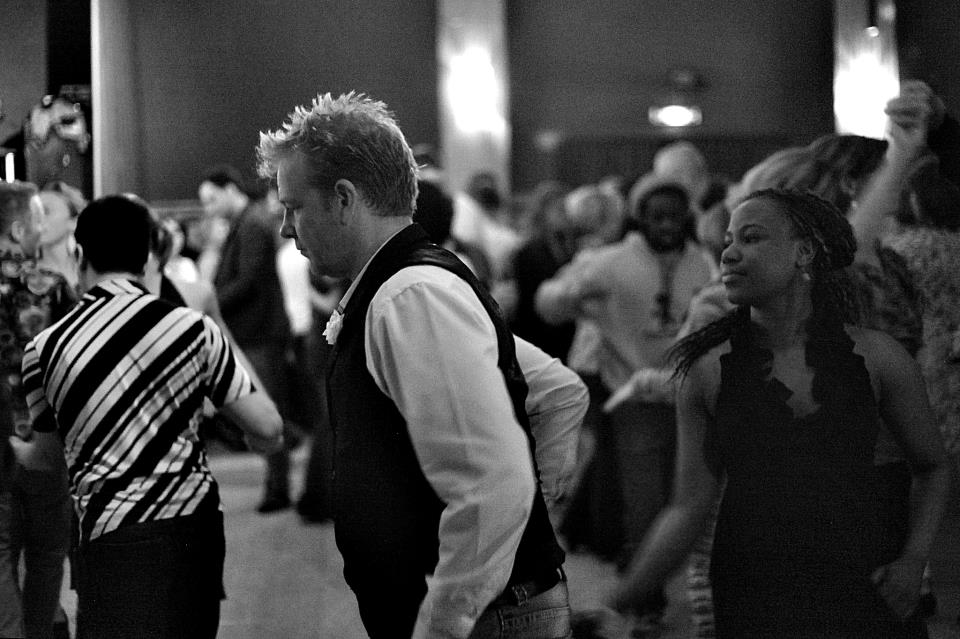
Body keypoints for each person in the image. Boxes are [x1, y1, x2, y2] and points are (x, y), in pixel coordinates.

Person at [258, 91, 573, 639]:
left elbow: (491, 479)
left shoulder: (410, 295)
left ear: (343, 199)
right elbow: (555, 390)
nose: (286, 226)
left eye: (294, 206)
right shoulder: (406, 284)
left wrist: (447, 618)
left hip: (486, 620)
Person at [597, 189, 950, 638]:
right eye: (728, 240)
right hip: (754, 588)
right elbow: (687, 509)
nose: (728, 253)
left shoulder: (879, 358)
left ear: (803, 252)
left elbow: (932, 467)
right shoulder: (707, 372)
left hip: (866, 580)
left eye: (751, 238)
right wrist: (616, 600)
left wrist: (913, 562)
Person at [18, 195, 284, 639]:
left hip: (109, 536)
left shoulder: (43, 349)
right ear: (146, 258)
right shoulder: (193, 328)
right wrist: (258, 441)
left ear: (79, 255)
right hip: (191, 531)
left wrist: (10, 447)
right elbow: (268, 428)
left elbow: (46, 460)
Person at [0, 180, 75, 639]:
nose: (40, 230)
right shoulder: (53, 288)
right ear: (16, 230)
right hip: (46, 440)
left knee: (2, 555)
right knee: (47, 556)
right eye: (36, 221)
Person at [198, 165, 296, 513]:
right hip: (257, 331)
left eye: (211, 200)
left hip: (260, 332)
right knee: (269, 409)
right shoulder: (245, 223)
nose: (208, 209)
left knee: (269, 410)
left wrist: (209, 303)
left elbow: (248, 280)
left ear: (230, 190)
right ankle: (277, 484)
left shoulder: (251, 224)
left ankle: (278, 489)